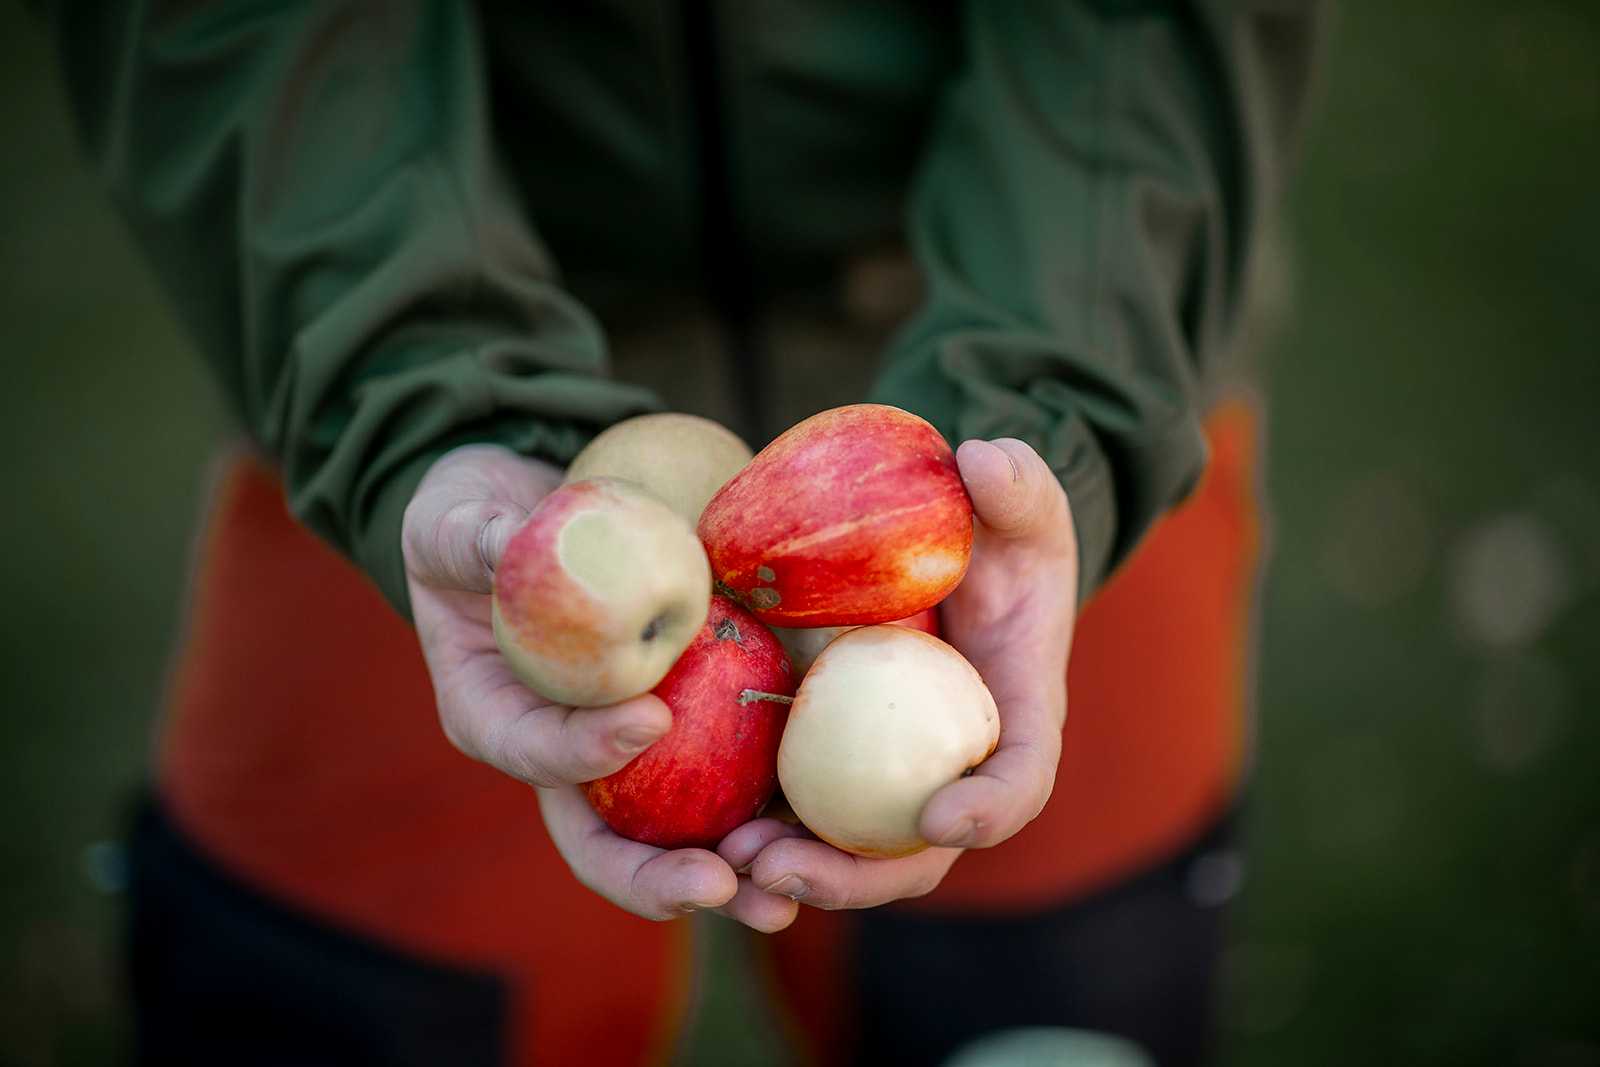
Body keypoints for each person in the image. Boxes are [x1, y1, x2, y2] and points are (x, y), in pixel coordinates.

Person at [42, 2, 1318, 1064]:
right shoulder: (470, 472)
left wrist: (1064, 398)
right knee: (343, 1010)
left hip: (1027, 390)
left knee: (1043, 1002)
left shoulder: (1014, 459)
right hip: (465, 418)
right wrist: (415, 393)